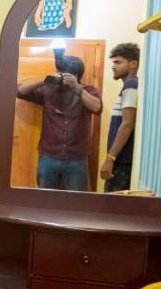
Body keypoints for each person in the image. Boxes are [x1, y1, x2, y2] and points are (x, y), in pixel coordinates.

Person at [17, 55, 102, 191]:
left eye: (64, 74)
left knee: (76, 201)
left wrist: (77, 88)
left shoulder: (89, 91)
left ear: (75, 76)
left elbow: (97, 108)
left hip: (77, 159)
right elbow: (19, 91)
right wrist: (43, 80)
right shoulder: (49, 89)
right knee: (45, 200)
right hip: (48, 156)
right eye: (59, 72)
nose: (60, 76)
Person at [102, 42, 140, 192]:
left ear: (133, 64)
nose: (113, 66)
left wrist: (110, 158)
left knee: (113, 203)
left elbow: (127, 124)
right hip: (121, 161)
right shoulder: (129, 85)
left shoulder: (131, 85)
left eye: (118, 62)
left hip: (122, 162)